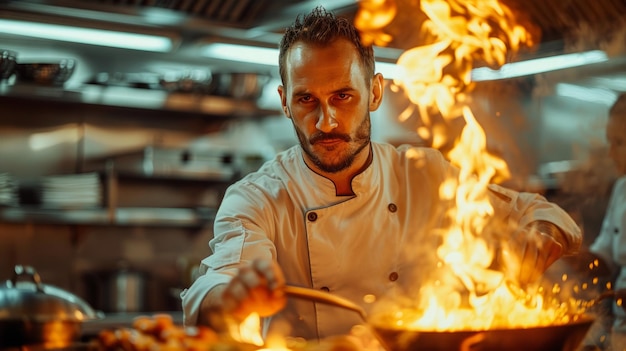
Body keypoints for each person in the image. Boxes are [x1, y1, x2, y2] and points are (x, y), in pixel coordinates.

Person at [181, 6, 582, 341]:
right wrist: (234, 298)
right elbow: (214, 288)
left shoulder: (425, 174)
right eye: (307, 99)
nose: (326, 121)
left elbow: (545, 214)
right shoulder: (257, 197)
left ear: (374, 92)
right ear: (285, 102)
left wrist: (539, 237)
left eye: (343, 95)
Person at [587, 93, 626, 351]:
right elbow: (605, 256)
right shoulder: (621, 188)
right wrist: (560, 256)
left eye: (619, 142)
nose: (610, 153)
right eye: (609, 142)